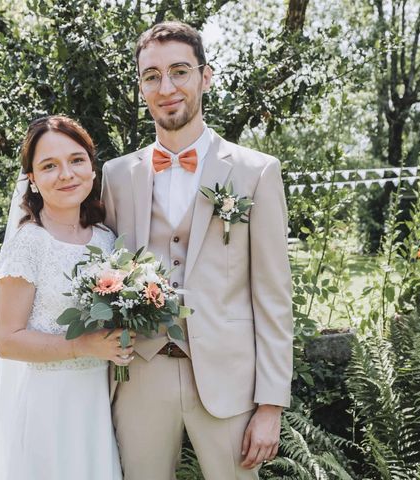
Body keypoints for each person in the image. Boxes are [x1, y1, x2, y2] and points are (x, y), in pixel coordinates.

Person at [101, 21, 294, 479]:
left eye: (179, 71)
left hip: (229, 381)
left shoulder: (256, 173)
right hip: (140, 379)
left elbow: (273, 295)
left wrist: (271, 404)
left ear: (205, 77)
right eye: (151, 76)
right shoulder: (115, 176)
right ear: (141, 86)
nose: (165, 87)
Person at [0, 115, 132, 480]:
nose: (66, 174)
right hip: (46, 406)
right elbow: (7, 340)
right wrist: (83, 346)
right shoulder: (30, 243)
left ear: (92, 168)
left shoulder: (106, 239)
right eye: (49, 166)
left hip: (96, 401)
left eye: (76, 160)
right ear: (32, 180)